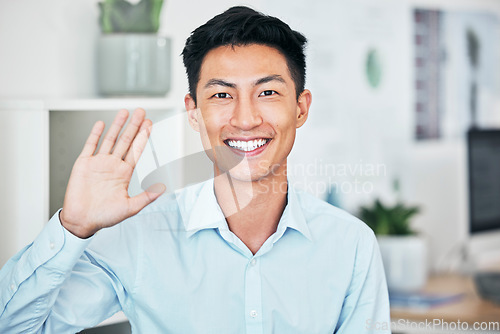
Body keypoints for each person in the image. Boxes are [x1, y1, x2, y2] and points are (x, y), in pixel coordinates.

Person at [0, 6, 390, 334]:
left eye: (267, 92)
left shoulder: (350, 245)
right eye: (222, 95)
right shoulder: (140, 238)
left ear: (301, 108)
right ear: (193, 112)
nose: (246, 118)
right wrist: (72, 227)